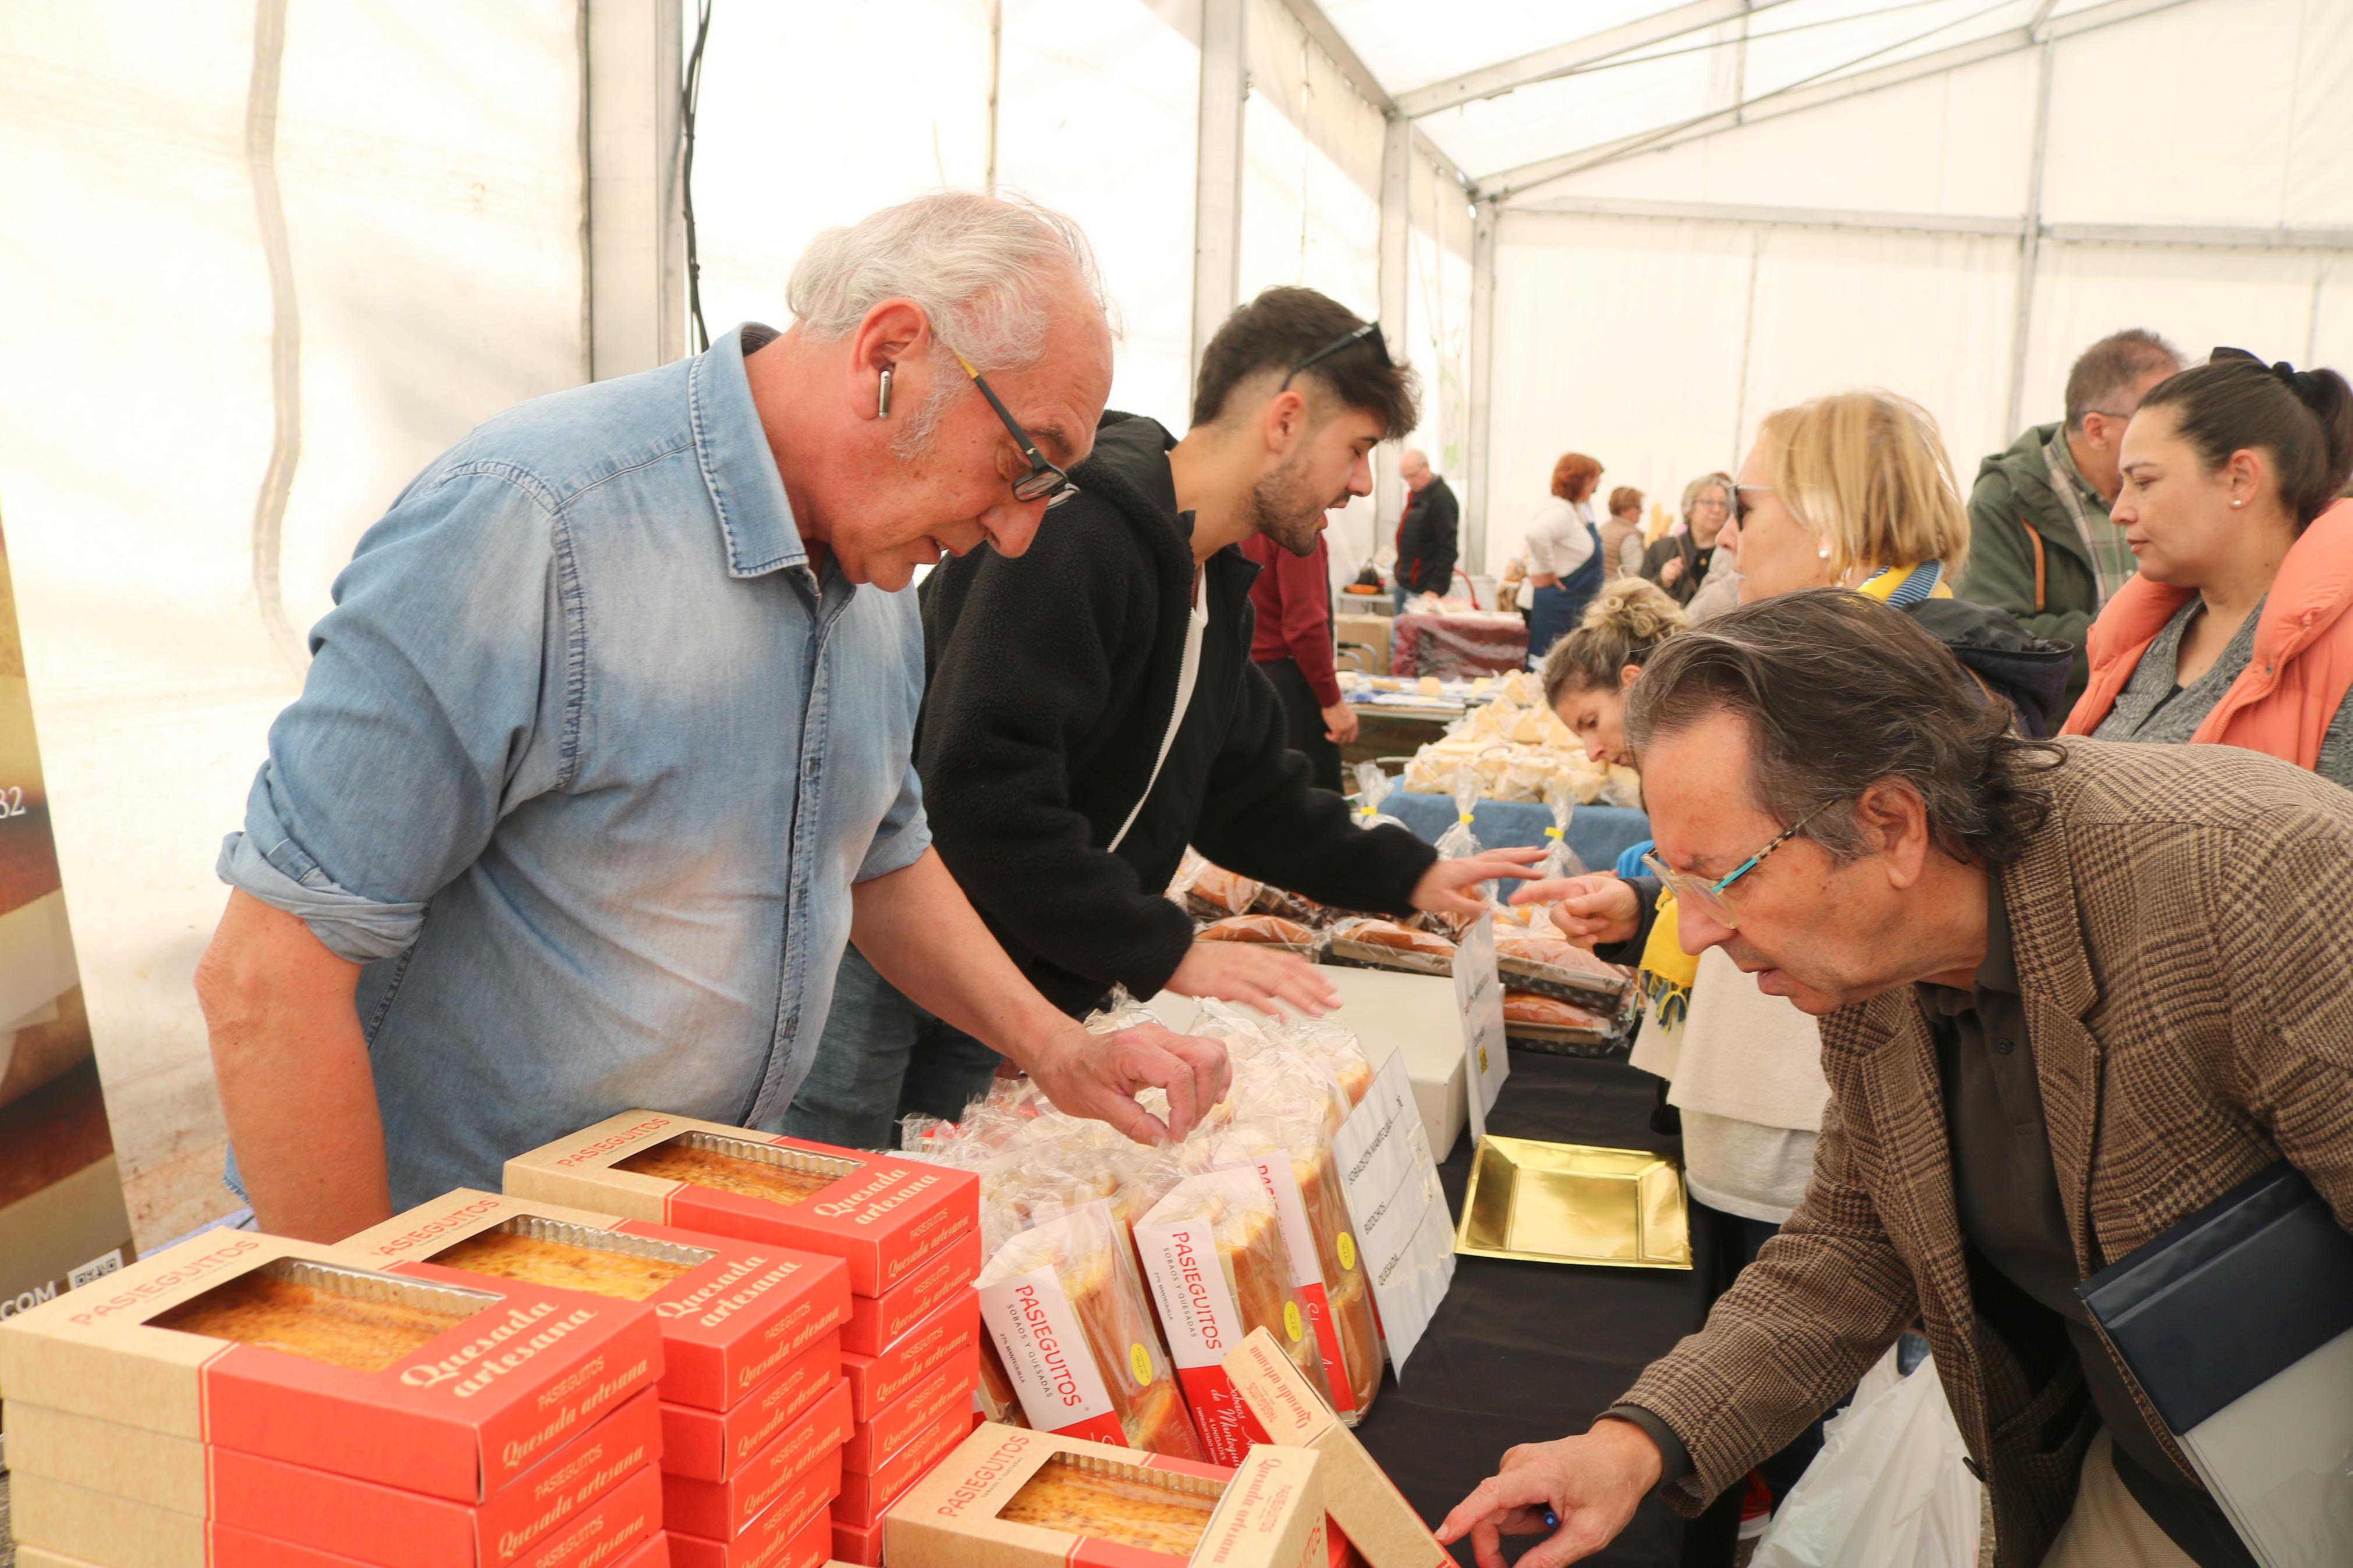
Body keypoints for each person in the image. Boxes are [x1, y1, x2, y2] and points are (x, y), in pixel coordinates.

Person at [191, 193, 1233, 1240]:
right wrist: (369, 1334)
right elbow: (267, 975)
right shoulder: (535, 521)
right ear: (890, 354)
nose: (1015, 536)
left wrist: (1057, 1047)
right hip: (457, 1269)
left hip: (684, 1254)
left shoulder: (876, 588)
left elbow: (878, 848)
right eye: (1026, 461)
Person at [1443, 589, 2353, 1568]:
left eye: (1725, 876)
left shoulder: (2254, 883)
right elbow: (1854, 1232)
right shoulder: (1880, 959)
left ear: (1889, 825)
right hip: (2157, 1480)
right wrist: (1631, 1445)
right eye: (1675, 883)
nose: (1696, 932)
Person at [783, 287, 1540, 1150]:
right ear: (1285, 420)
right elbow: (981, 788)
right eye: (1357, 447)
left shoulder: (1212, 587)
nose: (1361, 482)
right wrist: (1160, 947)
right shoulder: (1076, 531)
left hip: (1010, 964)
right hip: (892, 948)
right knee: (835, 1178)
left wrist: (1408, 875)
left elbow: (1243, 789)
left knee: (942, 1202)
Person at [2063, 350, 2353, 785]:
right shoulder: (2141, 641)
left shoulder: (2341, 656)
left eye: (2143, 482)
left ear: (2239, 477)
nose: (2119, 512)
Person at [1958, 329, 2185, 699]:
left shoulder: (2180, 488)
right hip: (2059, 733)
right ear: (2097, 430)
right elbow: (1993, 636)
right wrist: (2152, 628)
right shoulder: (2005, 498)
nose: (2178, 437)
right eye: (2156, 421)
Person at [1244, 521, 1352, 792]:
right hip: (1288, 684)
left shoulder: (1232, 518)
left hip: (1239, 674)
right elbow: (1306, 626)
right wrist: (1332, 700)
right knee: (1308, 794)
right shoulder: (1295, 526)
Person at [1524, 452, 1603, 661]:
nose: (1598, 484)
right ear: (1584, 479)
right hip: (1558, 607)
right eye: (1596, 478)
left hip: (1571, 605)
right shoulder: (1561, 510)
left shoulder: (1575, 510)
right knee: (1550, 667)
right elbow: (1536, 534)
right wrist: (1547, 571)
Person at [1641, 474, 1727, 607]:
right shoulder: (1661, 549)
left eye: (1722, 504)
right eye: (1708, 502)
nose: (1717, 510)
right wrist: (1661, 581)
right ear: (1690, 508)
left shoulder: (1731, 554)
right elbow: (1639, 599)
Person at [1393, 447, 1458, 612]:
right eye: (1405, 477)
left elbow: (1448, 548)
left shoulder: (1442, 499)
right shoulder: (1417, 496)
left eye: (1413, 475)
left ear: (1426, 467)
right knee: (1398, 637)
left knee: (1413, 638)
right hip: (1404, 583)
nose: (1410, 482)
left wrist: (1435, 588)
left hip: (1423, 590)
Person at [1598, 486, 1646, 582]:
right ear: (1624, 510)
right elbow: (1635, 573)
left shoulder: (1604, 528)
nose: (1642, 511)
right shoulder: (1629, 535)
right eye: (1638, 507)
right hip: (1618, 590)